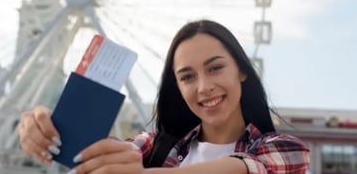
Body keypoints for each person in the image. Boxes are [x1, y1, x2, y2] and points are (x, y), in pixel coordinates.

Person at [18, 19, 310, 174]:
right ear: (178, 87)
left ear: (242, 71)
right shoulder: (153, 146)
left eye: (216, 68)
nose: (204, 86)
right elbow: (104, 154)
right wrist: (46, 129)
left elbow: (241, 169)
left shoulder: (283, 149)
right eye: (187, 77)